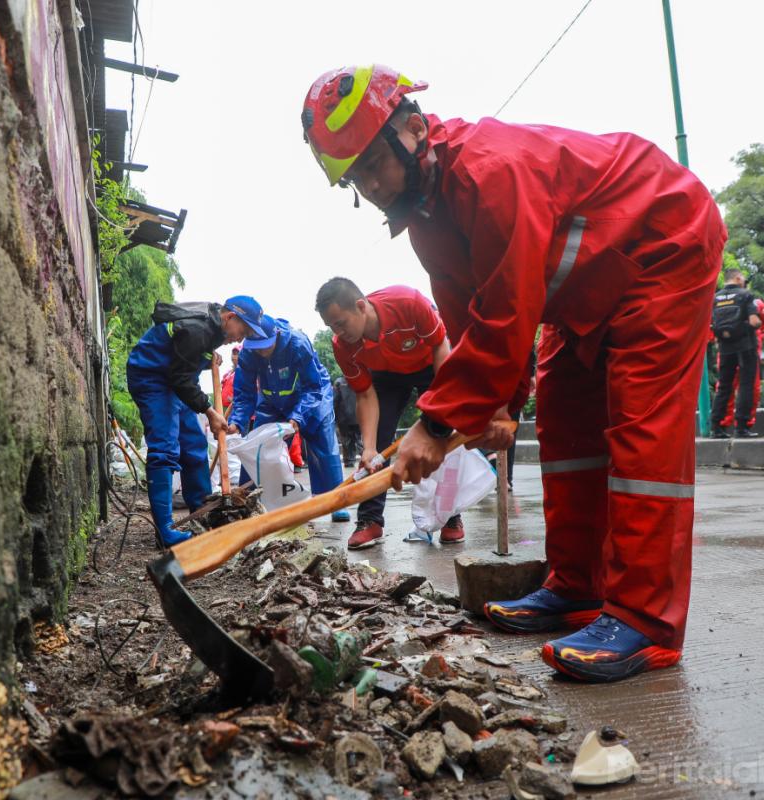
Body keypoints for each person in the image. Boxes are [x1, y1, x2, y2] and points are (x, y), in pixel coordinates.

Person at [301, 65, 726, 682]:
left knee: (641, 436)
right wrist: (496, 407)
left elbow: (505, 314)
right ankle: (578, 587)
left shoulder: (490, 171)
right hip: (579, 294)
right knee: (565, 433)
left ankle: (646, 621)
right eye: (357, 179)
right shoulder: (426, 219)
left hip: (661, 247)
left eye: (373, 166)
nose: (371, 186)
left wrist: (439, 424)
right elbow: (474, 320)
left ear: (414, 130)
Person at [315, 278, 463, 549]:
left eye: (340, 323)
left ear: (360, 306)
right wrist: (369, 448)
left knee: (441, 435)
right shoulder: (343, 345)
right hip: (387, 375)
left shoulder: (407, 302)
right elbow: (365, 394)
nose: (337, 332)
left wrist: (439, 410)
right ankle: (370, 520)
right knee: (375, 449)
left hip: (431, 364)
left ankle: (451, 517)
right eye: (330, 326)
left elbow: (441, 346)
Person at [126, 297, 266, 546]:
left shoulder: (212, 326)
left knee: (194, 445)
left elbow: (182, 357)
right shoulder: (199, 329)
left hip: (171, 380)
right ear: (230, 317)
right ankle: (166, 531)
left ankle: (202, 512)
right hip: (151, 376)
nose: (240, 339)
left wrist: (205, 358)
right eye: (242, 331)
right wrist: (210, 412)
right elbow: (180, 376)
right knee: (165, 448)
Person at [228, 316, 344, 509]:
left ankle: (335, 501)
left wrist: (298, 416)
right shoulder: (249, 353)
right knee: (259, 445)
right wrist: (236, 422)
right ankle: (249, 500)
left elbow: (312, 386)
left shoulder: (298, 344)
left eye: (265, 345)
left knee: (322, 442)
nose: (262, 351)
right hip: (271, 399)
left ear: (277, 335)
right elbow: (244, 393)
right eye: (257, 347)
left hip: (311, 394)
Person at [709, 268, 764, 438]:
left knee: (724, 387)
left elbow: (711, 324)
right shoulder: (745, 295)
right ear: (738, 278)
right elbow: (755, 322)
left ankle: (716, 428)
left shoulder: (715, 298)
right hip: (746, 345)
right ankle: (741, 427)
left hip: (725, 348)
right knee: (746, 385)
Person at [332, 376, 362, 468]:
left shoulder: (338, 382)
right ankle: (367, 458)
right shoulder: (360, 379)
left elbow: (334, 401)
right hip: (358, 416)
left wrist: (334, 418)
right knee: (359, 439)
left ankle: (349, 462)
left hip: (343, 418)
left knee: (346, 441)